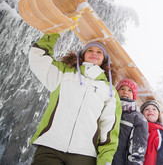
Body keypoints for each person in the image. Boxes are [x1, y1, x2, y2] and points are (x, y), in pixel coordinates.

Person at [29, 33, 122, 165]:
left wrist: (105, 160)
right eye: (90, 50)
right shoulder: (64, 72)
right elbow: (38, 58)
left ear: (104, 60)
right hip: (50, 146)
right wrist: (53, 33)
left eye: (99, 52)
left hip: (84, 155)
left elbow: (109, 128)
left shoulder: (110, 91)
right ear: (83, 54)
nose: (94, 53)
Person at [112, 78, 148, 165]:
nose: (125, 92)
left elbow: (138, 150)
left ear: (134, 95)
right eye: (122, 89)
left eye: (129, 90)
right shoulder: (109, 109)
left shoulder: (137, 117)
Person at [140, 100, 163, 165]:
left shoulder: (160, 135)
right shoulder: (137, 130)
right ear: (142, 114)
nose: (150, 111)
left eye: (154, 109)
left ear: (158, 115)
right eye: (147, 109)